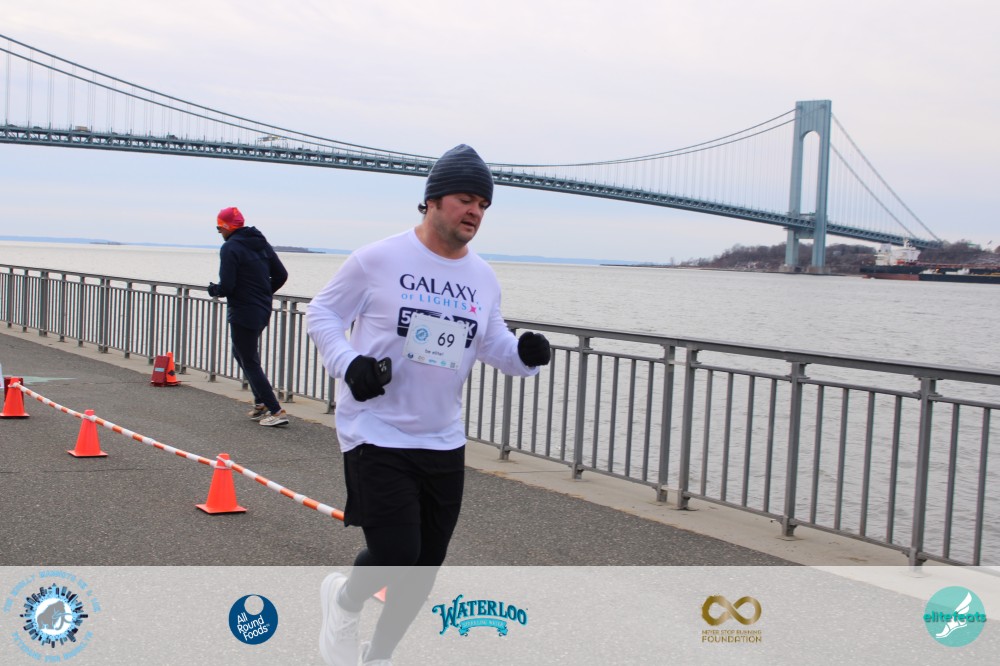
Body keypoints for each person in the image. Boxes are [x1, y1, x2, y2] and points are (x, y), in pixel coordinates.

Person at [306, 144, 552, 666]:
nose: (475, 212)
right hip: (376, 430)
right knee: (398, 553)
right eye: (466, 199)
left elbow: (494, 345)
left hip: (443, 438)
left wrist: (526, 355)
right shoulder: (377, 259)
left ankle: (379, 656)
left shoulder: (482, 277)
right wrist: (348, 363)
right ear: (433, 200)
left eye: (483, 204)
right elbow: (322, 313)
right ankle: (344, 601)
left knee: (424, 567)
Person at [208, 206, 290, 427]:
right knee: (241, 353)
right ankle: (260, 403)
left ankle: (276, 410)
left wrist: (214, 290)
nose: (219, 232)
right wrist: (262, 294)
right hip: (262, 308)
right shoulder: (260, 243)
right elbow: (281, 275)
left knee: (249, 360)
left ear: (227, 227)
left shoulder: (230, 248)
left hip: (243, 311)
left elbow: (227, 286)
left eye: (219, 228)